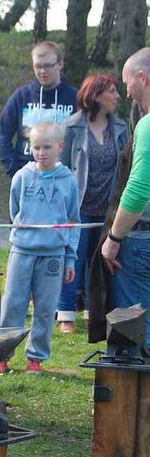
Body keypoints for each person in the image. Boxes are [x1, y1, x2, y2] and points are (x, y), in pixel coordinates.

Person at [0, 122, 80, 375]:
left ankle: (36, 358)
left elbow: (74, 221)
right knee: (13, 304)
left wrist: (69, 259)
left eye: (47, 147)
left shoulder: (68, 182)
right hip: (23, 251)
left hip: (53, 253)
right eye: (36, 147)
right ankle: (3, 354)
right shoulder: (21, 177)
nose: (41, 152)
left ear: (60, 147)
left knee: (46, 307)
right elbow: (15, 211)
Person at [56, 75, 128, 334]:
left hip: (107, 207)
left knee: (95, 261)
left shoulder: (120, 127)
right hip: (79, 206)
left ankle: (91, 311)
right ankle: (65, 313)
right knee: (72, 259)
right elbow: (61, 168)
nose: (118, 97)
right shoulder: (71, 127)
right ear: (96, 96)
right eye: (112, 91)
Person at [101, 47, 150, 348]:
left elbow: (139, 188)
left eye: (127, 81)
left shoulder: (147, 125)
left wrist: (114, 238)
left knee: (136, 329)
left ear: (142, 78)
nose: (126, 91)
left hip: (142, 243)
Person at [0, 41, 77, 178]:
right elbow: (2, 134)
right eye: (38, 66)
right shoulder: (21, 97)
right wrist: (14, 170)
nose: (43, 71)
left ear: (60, 64)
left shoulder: (75, 98)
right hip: (26, 175)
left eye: (48, 66)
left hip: (63, 177)